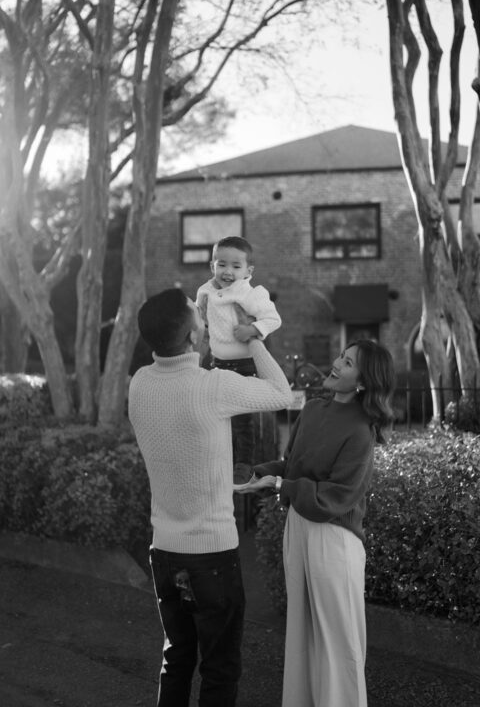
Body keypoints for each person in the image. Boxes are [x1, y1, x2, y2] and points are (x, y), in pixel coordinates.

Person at [128, 288, 293, 706]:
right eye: (196, 314)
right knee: (219, 668)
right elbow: (281, 392)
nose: (204, 315)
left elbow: (181, 436)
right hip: (212, 555)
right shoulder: (213, 387)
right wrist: (253, 336)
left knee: (176, 659)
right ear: (191, 336)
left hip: (164, 551)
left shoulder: (139, 384)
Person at [239, 339, 395, 707]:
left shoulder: (361, 430)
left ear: (364, 381)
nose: (337, 363)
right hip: (298, 527)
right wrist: (258, 474)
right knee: (302, 634)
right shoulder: (311, 410)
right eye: (341, 356)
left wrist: (282, 485)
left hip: (334, 538)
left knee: (338, 641)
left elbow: (336, 496)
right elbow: (291, 465)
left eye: (349, 363)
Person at [196, 235, 282, 471]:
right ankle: (217, 460)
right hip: (217, 364)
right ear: (212, 266)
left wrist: (252, 329)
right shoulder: (205, 291)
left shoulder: (250, 294)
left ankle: (244, 465)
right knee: (216, 414)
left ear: (248, 271)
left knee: (243, 419)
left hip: (244, 365)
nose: (228, 272)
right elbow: (199, 317)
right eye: (222, 264)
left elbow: (273, 319)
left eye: (236, 266)